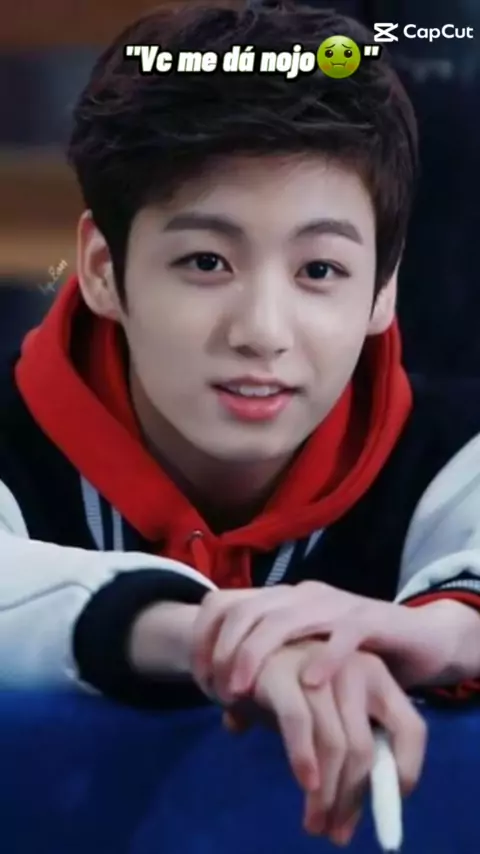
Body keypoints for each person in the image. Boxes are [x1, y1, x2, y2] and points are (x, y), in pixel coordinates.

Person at [2, 0, 480, 844]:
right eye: (206, 261)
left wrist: (436, 634)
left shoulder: (450, 447)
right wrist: (216, 638)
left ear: (384, 289)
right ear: (103, 269)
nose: (261, 330)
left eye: (320, 269)